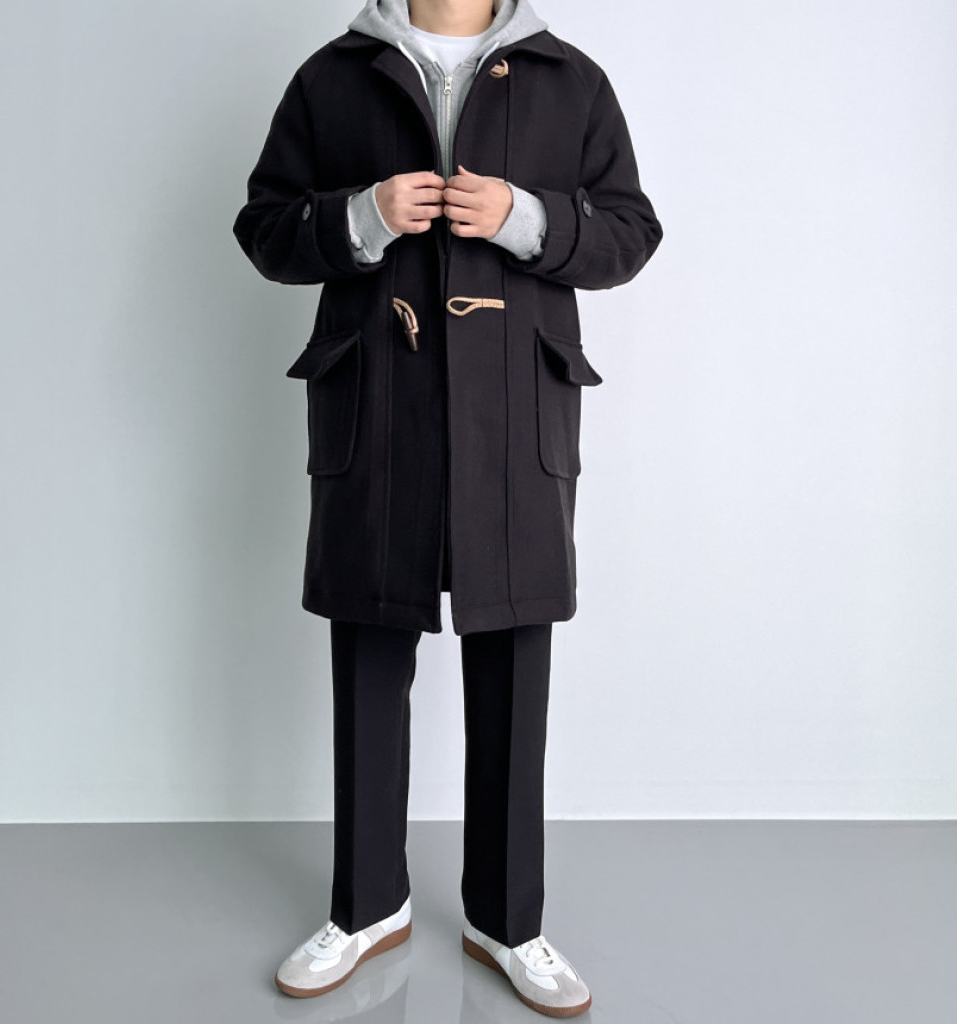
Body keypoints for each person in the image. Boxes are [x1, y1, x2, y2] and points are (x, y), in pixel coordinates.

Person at [232, 0, 662, 1015]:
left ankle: (507, 920)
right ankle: (366, 905)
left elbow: (630, 233)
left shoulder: (569, 79)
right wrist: (361, 217)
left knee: (512, 652)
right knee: (368, 650)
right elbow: (263, 228)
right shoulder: (334, 75)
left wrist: (525, 217)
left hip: (515, 408)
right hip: (377, 400)